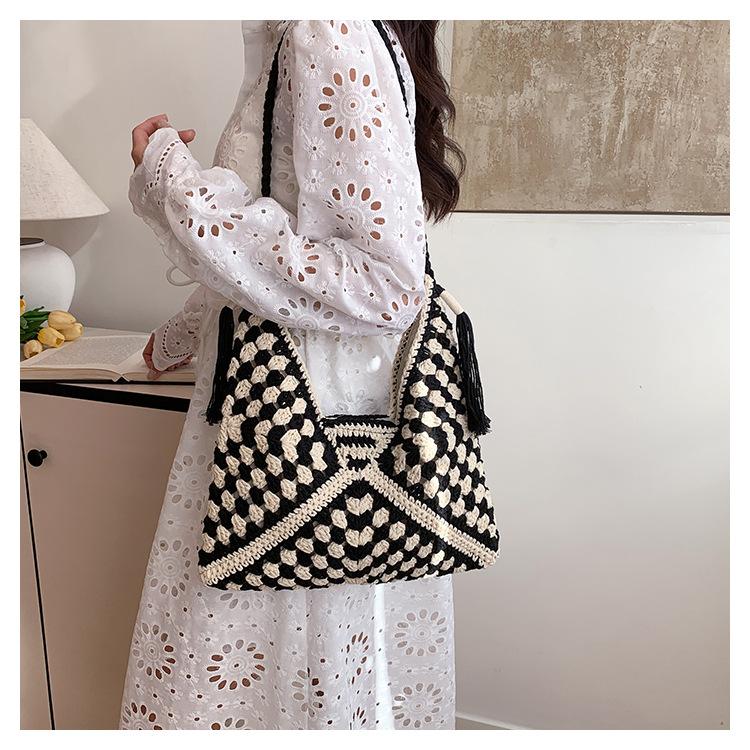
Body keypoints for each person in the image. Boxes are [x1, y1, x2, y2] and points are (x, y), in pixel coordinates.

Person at [123, 20, 464, 730]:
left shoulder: (324, 29)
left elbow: (386, 286)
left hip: (294, 437)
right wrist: (174, 341)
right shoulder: (309, 32)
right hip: (313, 423)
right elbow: (288, 250)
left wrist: (172, 181)